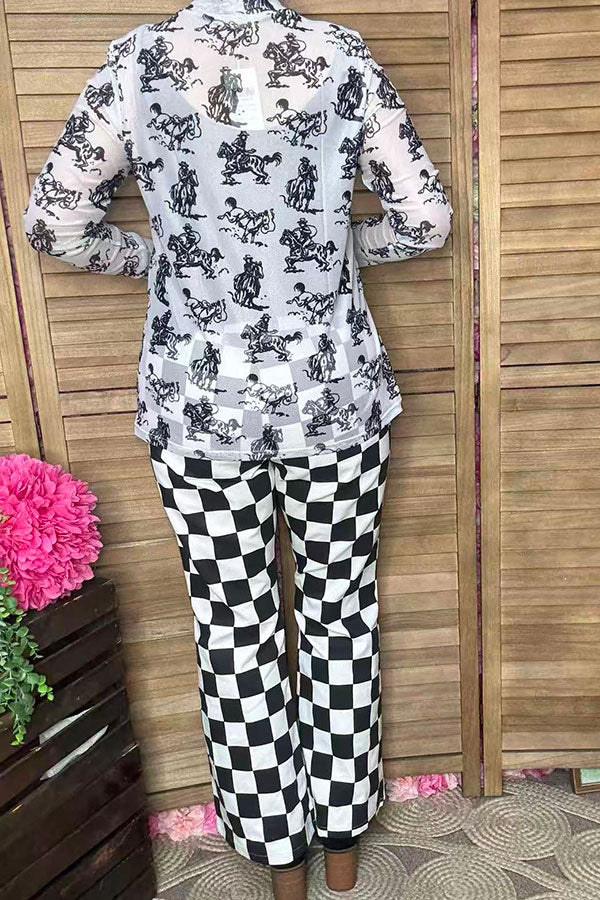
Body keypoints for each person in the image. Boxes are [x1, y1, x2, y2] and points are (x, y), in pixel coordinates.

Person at [22, 0, 453, 896]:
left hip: (198, 410)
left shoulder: (139, 64)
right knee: (341, 615)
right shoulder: (340, 56)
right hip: (334, 399)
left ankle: (278, 857)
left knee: (233, 629)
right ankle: (342, 847)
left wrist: (157, 260)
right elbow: (425, 221)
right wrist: (340, 249)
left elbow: (55, 221)